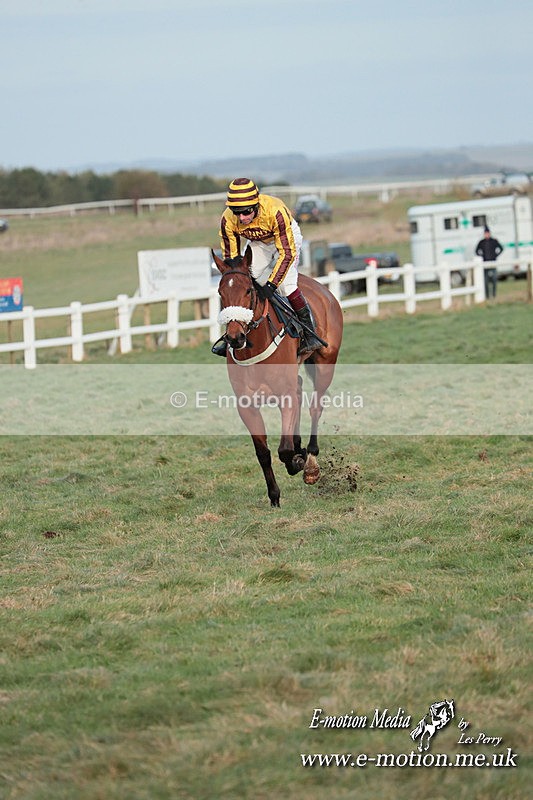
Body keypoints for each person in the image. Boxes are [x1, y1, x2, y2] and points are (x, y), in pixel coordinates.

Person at [213, 178, 323, 356]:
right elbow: (232, 258)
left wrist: (271, 285)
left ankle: (310, 332)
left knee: (286, 286)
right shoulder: (227, 219)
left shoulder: (275, 211)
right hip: (259, 243)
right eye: (236, 212)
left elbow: (287, 254)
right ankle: (236, 332)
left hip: (287, 239)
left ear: (256, 205)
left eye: (246, 212)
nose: (242, 218)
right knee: (244, 280)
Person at [475, 226, 503, 299]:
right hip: (485, 264)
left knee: (494, 279)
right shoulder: (481, 242)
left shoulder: (494, 241)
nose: (486, 234)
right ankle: (487, 295)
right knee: (485, 281)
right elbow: (476, 251)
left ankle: (494, 295)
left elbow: (501, 248)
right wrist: (481, 257)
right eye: (485, 233)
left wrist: (496, 255)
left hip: (493, 262)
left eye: (487, 233)